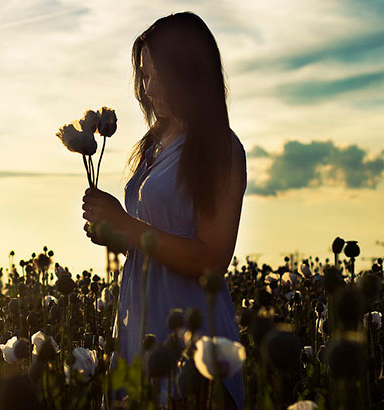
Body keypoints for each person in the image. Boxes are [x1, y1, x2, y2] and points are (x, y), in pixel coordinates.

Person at [81, 12, 246, 410]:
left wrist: (126, 224)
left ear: (188, 73)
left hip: (192, 335)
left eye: (156, 75)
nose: (146, 88)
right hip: (140, 325)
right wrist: (116, 235)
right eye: (142, 75)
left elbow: (211, 258)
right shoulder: (153, 143)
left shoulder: (219, 146)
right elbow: (155, 239)